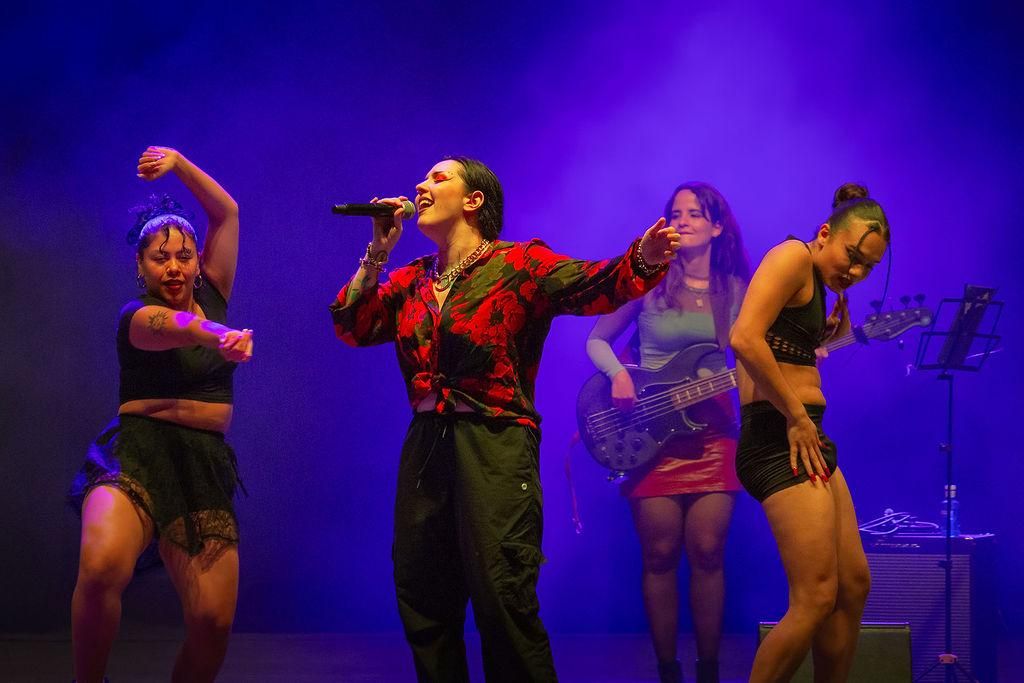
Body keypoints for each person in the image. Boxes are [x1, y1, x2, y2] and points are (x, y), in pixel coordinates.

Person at [329, 156, 681, 682]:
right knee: (423, 594)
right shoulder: (412, 280)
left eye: (438, 178)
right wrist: (377, 252)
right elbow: (352, 325)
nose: (422, 185)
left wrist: (643, 258)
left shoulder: (518, 264)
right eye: (422, 179)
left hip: (494, 443)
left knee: (501, 593)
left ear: (474, 201)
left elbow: (592, 283)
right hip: (427, 443)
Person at [68, 147, 252, 683]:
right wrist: (222, 336)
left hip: (202, 465)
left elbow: (228, 213)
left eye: (184, 255)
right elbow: (179, 328)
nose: (173, 265)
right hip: (137, 454)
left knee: (213, 621)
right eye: (159, 257)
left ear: (198, 263)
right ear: (141, 266)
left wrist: (179, 163)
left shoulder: (213, 293)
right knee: (101, 567)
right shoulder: (138, 316)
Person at [586, 182, 750, 683]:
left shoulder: (735, 290)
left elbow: (752, 356)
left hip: (714, 432)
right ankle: (666, 672)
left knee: (707, 551)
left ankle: (708, 672)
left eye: (694, 213)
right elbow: (596, 339)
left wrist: (803, 356)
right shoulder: (648, 282)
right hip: (650, 432)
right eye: (674, 213)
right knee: (659, 555)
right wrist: (617, 374)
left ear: (718, 226)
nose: (681, 221)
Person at [728, 183, 890, 682]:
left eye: (867, 267)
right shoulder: (793, 256)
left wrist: (835, 320)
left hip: (807, 434)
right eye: (852, 257)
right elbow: (744, 338)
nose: (856, 272)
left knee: (853, 585)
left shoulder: (821, 285)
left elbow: (797, 349)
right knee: (817, 595)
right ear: (825, 234)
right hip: (779, 435)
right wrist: (797, 416)